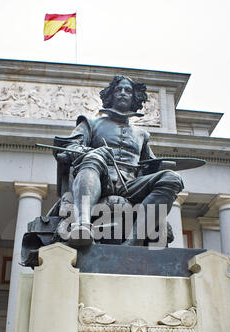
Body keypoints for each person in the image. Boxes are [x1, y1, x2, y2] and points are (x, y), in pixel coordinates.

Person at [55, 75, 184, 247]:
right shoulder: (91, 123)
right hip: (100, 178)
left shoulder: (142, 135)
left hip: (130, 186)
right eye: (118, 89)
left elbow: (147, 166)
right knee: (94, 158)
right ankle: (82, 227)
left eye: (128, 90)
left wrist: (160, 167)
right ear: (111, 95)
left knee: (172, 178)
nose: (123, 93)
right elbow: (68, 148)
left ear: (134, 97)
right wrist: (92, 151)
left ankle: (134, 240)